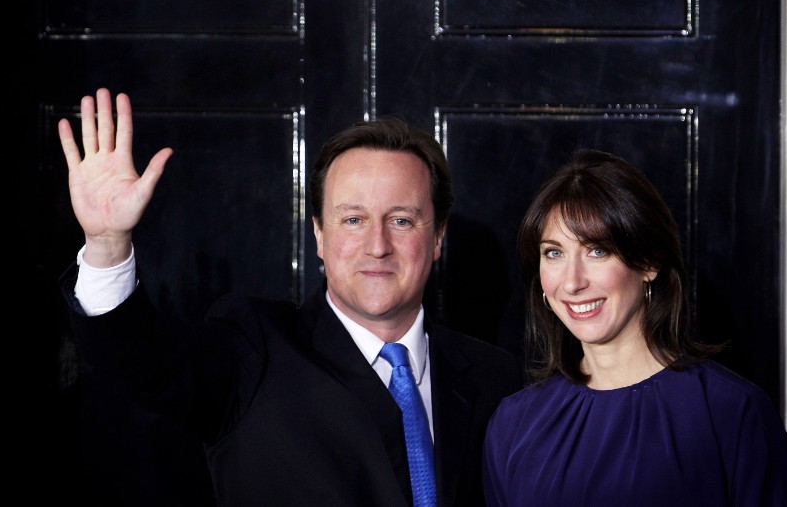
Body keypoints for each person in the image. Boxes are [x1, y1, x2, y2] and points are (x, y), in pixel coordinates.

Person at [57, 87, 524, 506]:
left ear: (438, 236)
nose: (377, 245)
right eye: (352, 219)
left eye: (401, 220)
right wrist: (106, 245)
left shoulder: (495, 378)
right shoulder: (252, 348)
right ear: (319, 235)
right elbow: (138, 360)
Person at [482, 149, 787, 507]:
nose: (572, 282)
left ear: (648, 262)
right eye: (554, 253)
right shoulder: (513, 424)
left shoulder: (732, 412)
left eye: (597, 251)